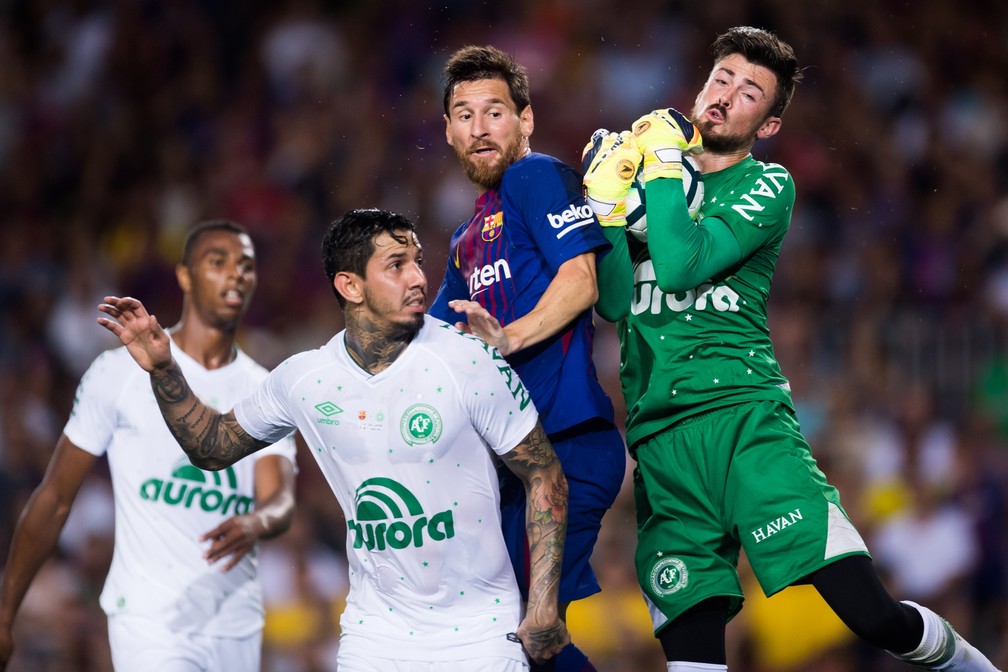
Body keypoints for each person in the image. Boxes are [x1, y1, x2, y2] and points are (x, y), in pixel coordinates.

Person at [582, 26, 1001, 671]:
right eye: (721, 79)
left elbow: (682, 264)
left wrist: (659, 168)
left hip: (748, 426)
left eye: (749, 93)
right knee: (692, 659)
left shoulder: (766, 187)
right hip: (661, 442)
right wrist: (607, 204)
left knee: (871, 615)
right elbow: (612, 302)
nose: (726, 96)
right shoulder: (650, 178)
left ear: (769, 124)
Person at [95, 208, 571, 671]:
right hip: (374, 636)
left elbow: (543, 473)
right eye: (396, 266)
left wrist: (544, 604)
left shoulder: (468, 359)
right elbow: (213, 447)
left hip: (479, 633)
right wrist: (164, 370)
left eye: (418, 263)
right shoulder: (306, 379)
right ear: (350, 285)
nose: (418, 279)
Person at [0, 220, 298, 671]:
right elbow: (55, 497)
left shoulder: (266, 387)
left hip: (236, 624)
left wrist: (258, 521)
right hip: (148, 621)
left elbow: (281, 500)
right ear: (184, 276)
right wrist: (5, 613)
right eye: (218, 262)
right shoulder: (117, 372)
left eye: (246, 266)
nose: (236, 274)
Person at [430, 44, 627, 672]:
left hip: (565, 447)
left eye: (495, 111)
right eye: (464, 114)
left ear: (526, 120)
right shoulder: (467, 237)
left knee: (519, 635)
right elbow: (423, 344)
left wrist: (507, 339)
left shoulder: (534, 176)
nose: (479, 127)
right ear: (448, 131)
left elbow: (581, 281)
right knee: (512, 642)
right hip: (511, 465)